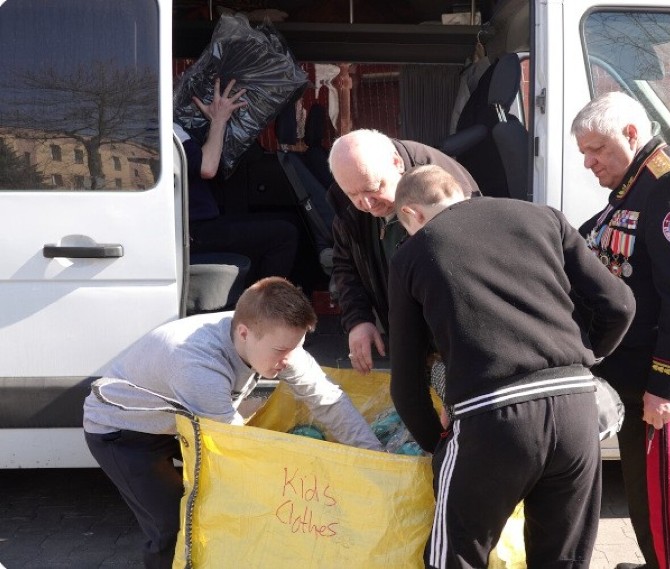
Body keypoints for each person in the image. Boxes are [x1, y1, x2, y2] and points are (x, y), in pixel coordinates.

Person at [388, 165, 636, 568]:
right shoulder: (544, 218)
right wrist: (582, 360)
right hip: (577, 411)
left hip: (493, 418)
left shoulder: (412, 255)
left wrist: (438, 442)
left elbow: (406, 384)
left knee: (456, 557)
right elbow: (620, 304)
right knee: (562, 559)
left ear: (412, 214)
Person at [82, 277, 383, 569]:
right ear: (243, 333)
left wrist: (376, 460)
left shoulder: (273, 336)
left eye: (297, 346)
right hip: (121, 431)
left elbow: (327, 400)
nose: (289, 360)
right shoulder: (197, 364)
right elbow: (237, 451)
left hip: (176, 419)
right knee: (174, 524)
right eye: (281, 351)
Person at [572, 91, 670, 569]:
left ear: (631, 135)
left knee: (664, 501)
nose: (589, 163)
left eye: (596, 149)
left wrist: (665, 386)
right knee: (658, 492)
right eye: (584, 153)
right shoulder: (635, 181)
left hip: (655, 381)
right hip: (635, 375)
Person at [326, 129, 479, 374]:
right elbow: (346, 263)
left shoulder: (446, 190)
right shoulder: (353, 183)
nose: (365, 204)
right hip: (404, 334)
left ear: (397, 163)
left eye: (373, 188)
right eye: (352, 194)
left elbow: (470, 280)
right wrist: (357, 320)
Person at [175, 77, 301, 285]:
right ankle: (262, 310)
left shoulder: (162, 128)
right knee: (284, 235)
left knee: (289, 222)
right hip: (191, 231)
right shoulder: (166, 129)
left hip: (194, 225)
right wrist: (219, 119)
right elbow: (207, 167)